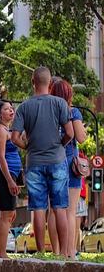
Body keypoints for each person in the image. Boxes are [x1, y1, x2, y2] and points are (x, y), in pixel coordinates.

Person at [11, 66, 74, 257]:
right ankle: (63, 254)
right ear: (49, 83)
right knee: (60, 208)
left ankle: (40, 252)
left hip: (34, 163)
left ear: (33, 82)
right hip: (57, 160)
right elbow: (70, 133)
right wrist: (60, 145)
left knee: (38, 208)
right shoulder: (60, 103)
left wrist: (27, 146)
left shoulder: (24, 106)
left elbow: (14, 137)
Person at [47, 79, 87, 259]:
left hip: (50, 162)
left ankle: (55, 252)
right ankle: (69, 251)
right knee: (70, 211)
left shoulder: (47, 113)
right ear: (69, 94)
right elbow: (80, 137)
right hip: (70, 164)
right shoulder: (73, 112)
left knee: (54, 210)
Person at [0, 100, 22, 258]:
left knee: (10, 215)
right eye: (7, 109)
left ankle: (0, 252)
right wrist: (9, 180)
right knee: (6, 215)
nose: (11, 110)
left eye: (11, 108)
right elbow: (1, 158)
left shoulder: (7, 129)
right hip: (2, 176)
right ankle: (1, 254)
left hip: (10, 175)